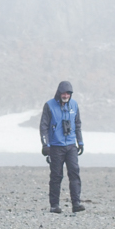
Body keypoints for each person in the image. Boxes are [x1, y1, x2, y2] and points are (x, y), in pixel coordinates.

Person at [39, 80, 84, 213]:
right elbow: (44, 126)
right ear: (59, 93)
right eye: (64, 93)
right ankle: (54, 205)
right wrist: (45, 144)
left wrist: (80, 142)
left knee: (74, 173)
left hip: (71, 146)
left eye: (68, 93)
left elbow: (77, 125)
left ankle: (76, 203)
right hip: (55, 147)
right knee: (56, 176)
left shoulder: (74, 105)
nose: (66, 96)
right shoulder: (49, 105)